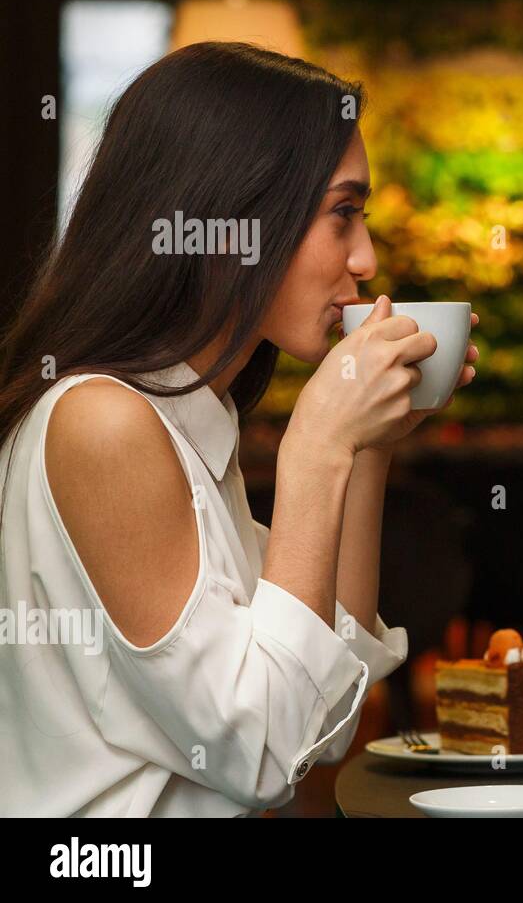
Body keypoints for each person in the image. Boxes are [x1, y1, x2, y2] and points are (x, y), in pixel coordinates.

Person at [0, 42, 476, 816]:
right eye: (343, 213)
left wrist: (368, 447)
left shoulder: (189, 417)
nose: (367, 257)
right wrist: (318, 445)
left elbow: (320, 717)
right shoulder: (101, 421)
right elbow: (262, 752)